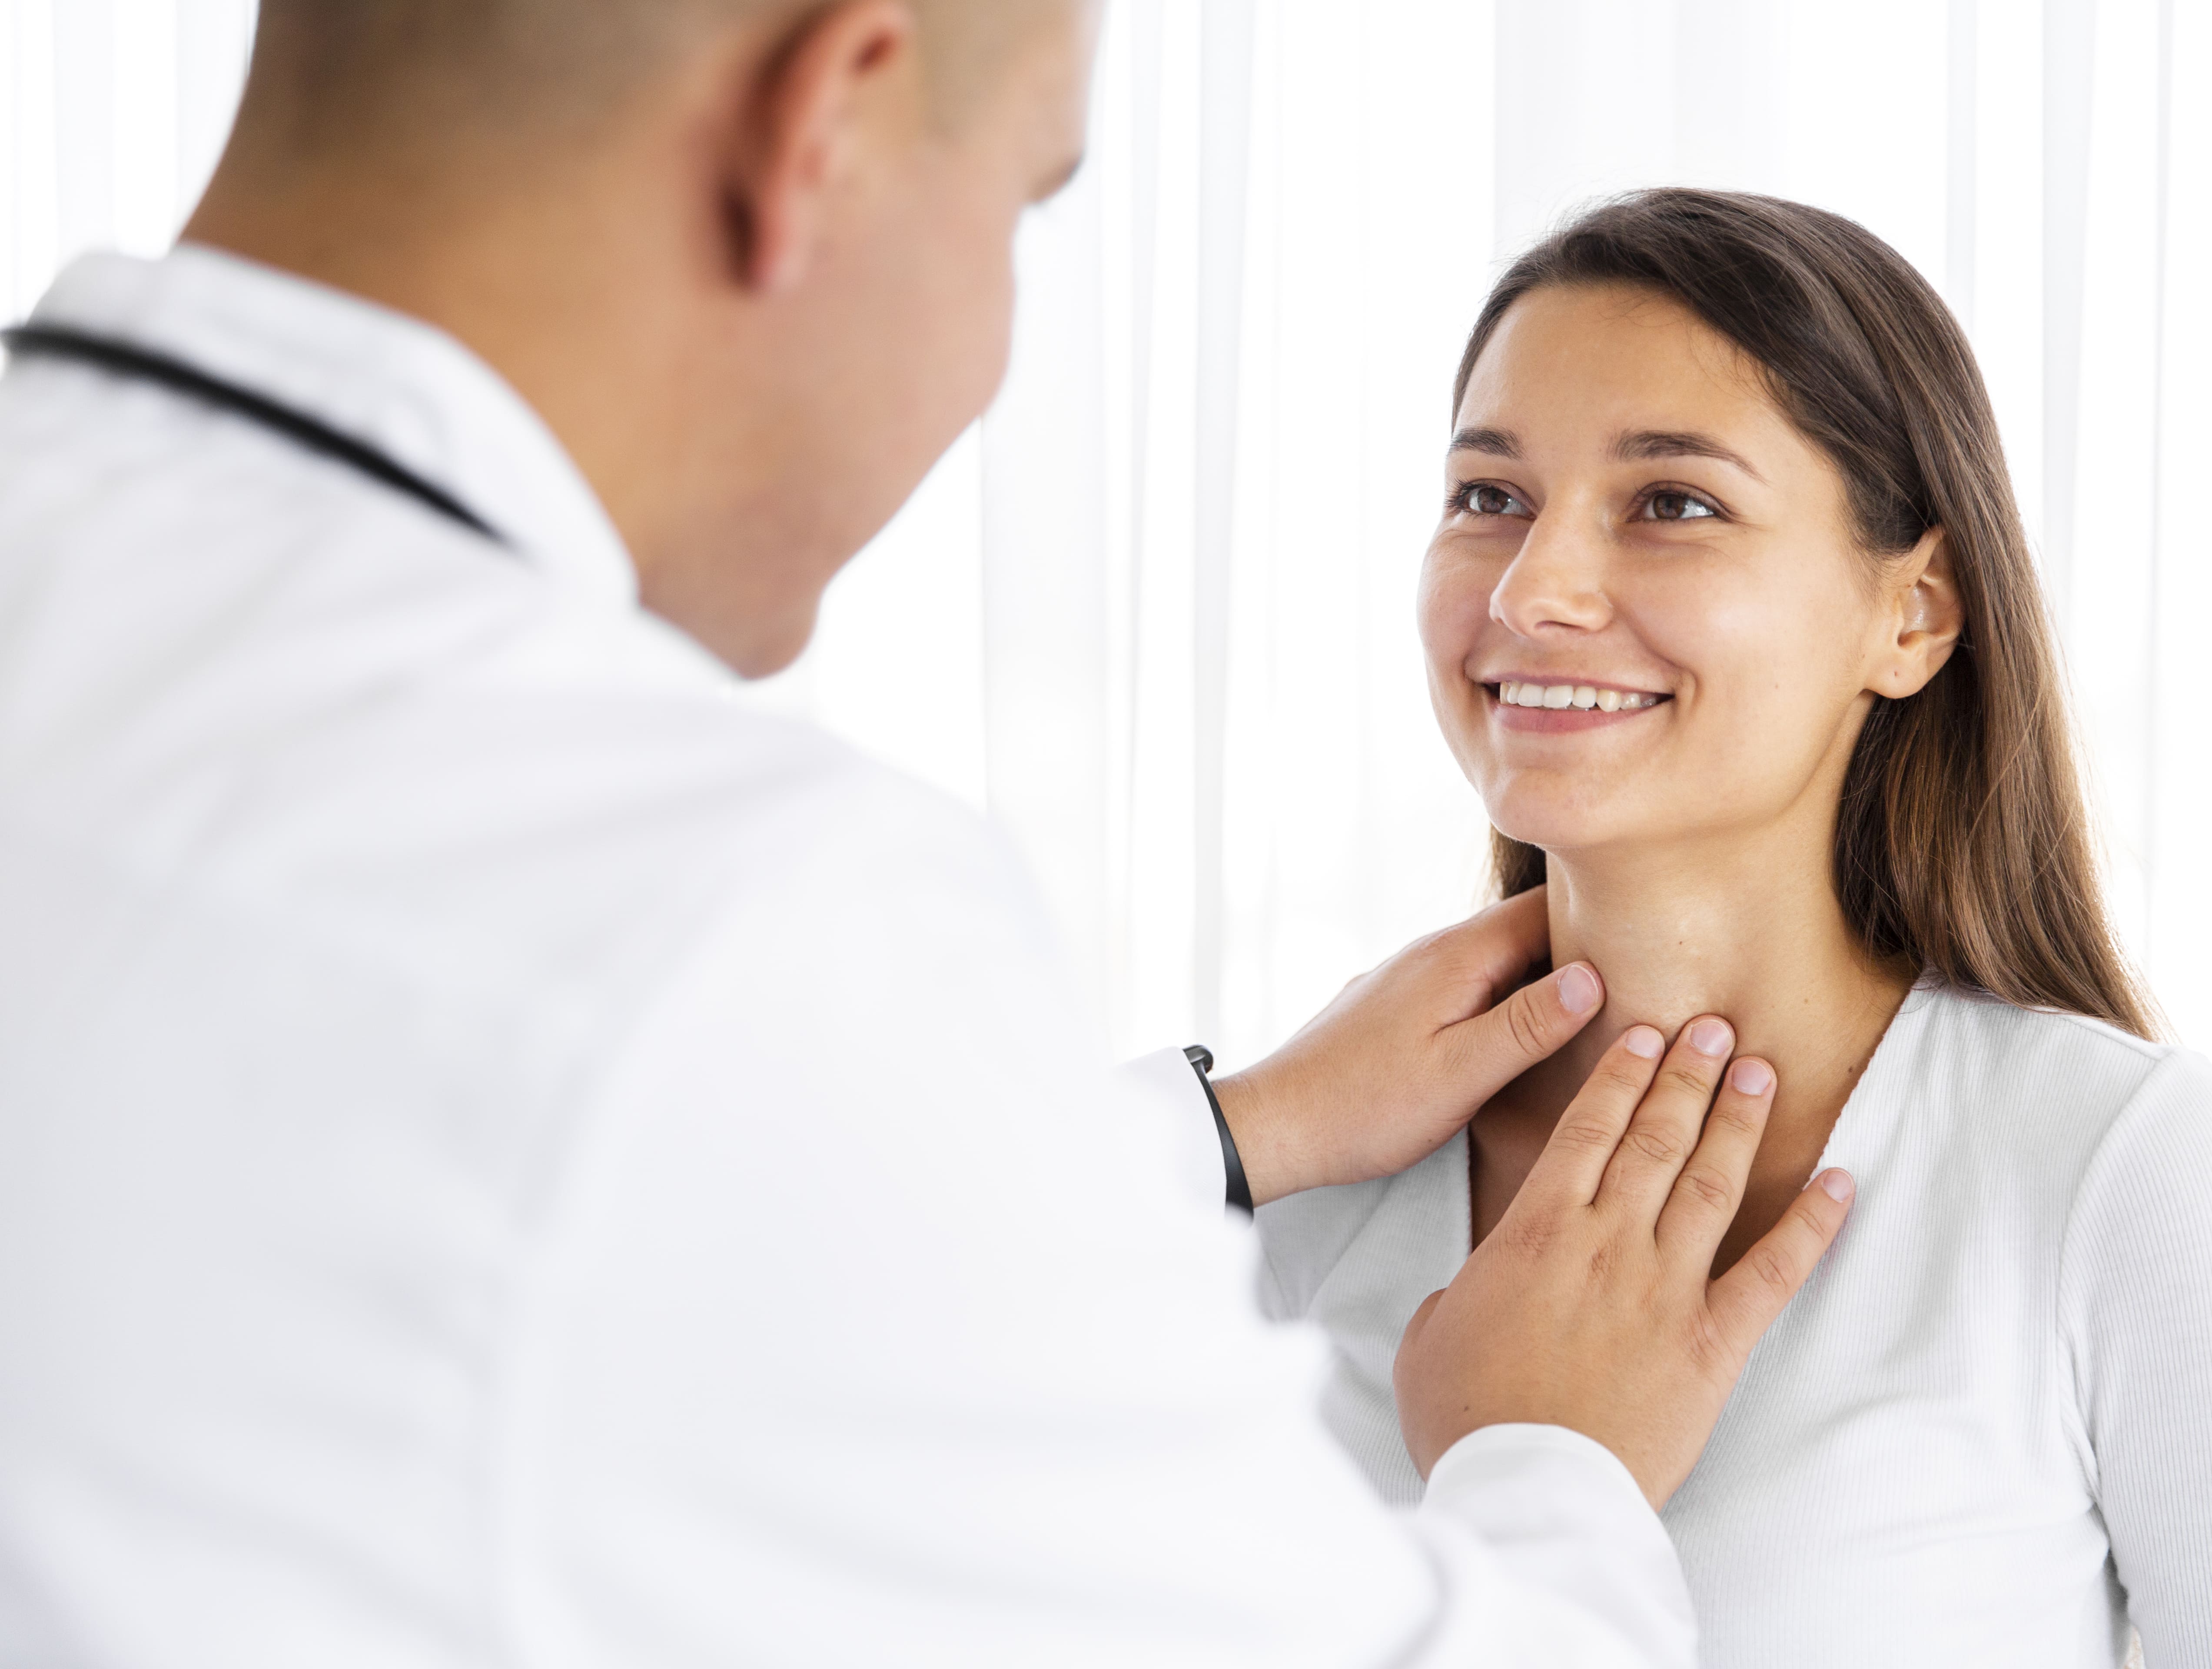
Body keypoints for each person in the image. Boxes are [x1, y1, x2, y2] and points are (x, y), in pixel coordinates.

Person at [0, 5, 1855, 1666]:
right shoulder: (721, 917)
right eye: (1024, 205)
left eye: (1675, 502)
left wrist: (1236, 1131)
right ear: (830, 118)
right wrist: (1551, 1463)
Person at [1253, 188, 2212, 1669]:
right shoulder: (1293, 1186)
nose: (1536, 587)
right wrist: (1239, 1142)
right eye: (1489, 497)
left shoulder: (2113, 1175)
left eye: (1672, 502)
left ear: (1915, 615)